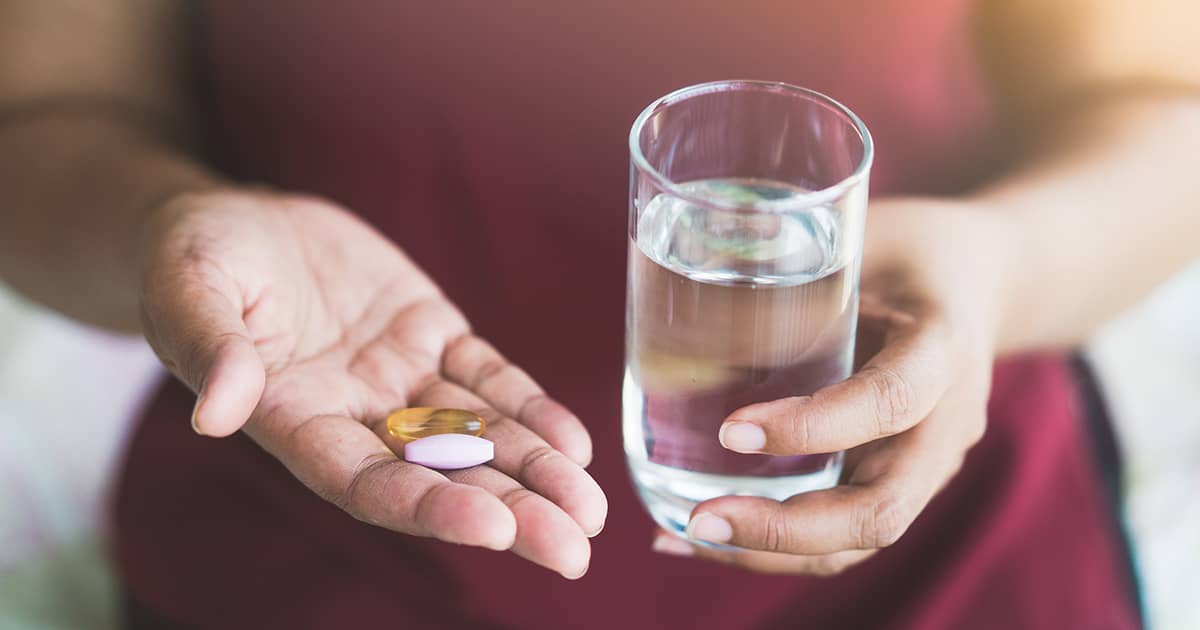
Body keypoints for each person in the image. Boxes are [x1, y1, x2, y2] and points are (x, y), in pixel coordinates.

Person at [1, 1, 1197, 628]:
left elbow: (1166, 111)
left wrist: (1003, 263)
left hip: (933, 540)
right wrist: (170, 225)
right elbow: (44, 113)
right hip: (328, 507)